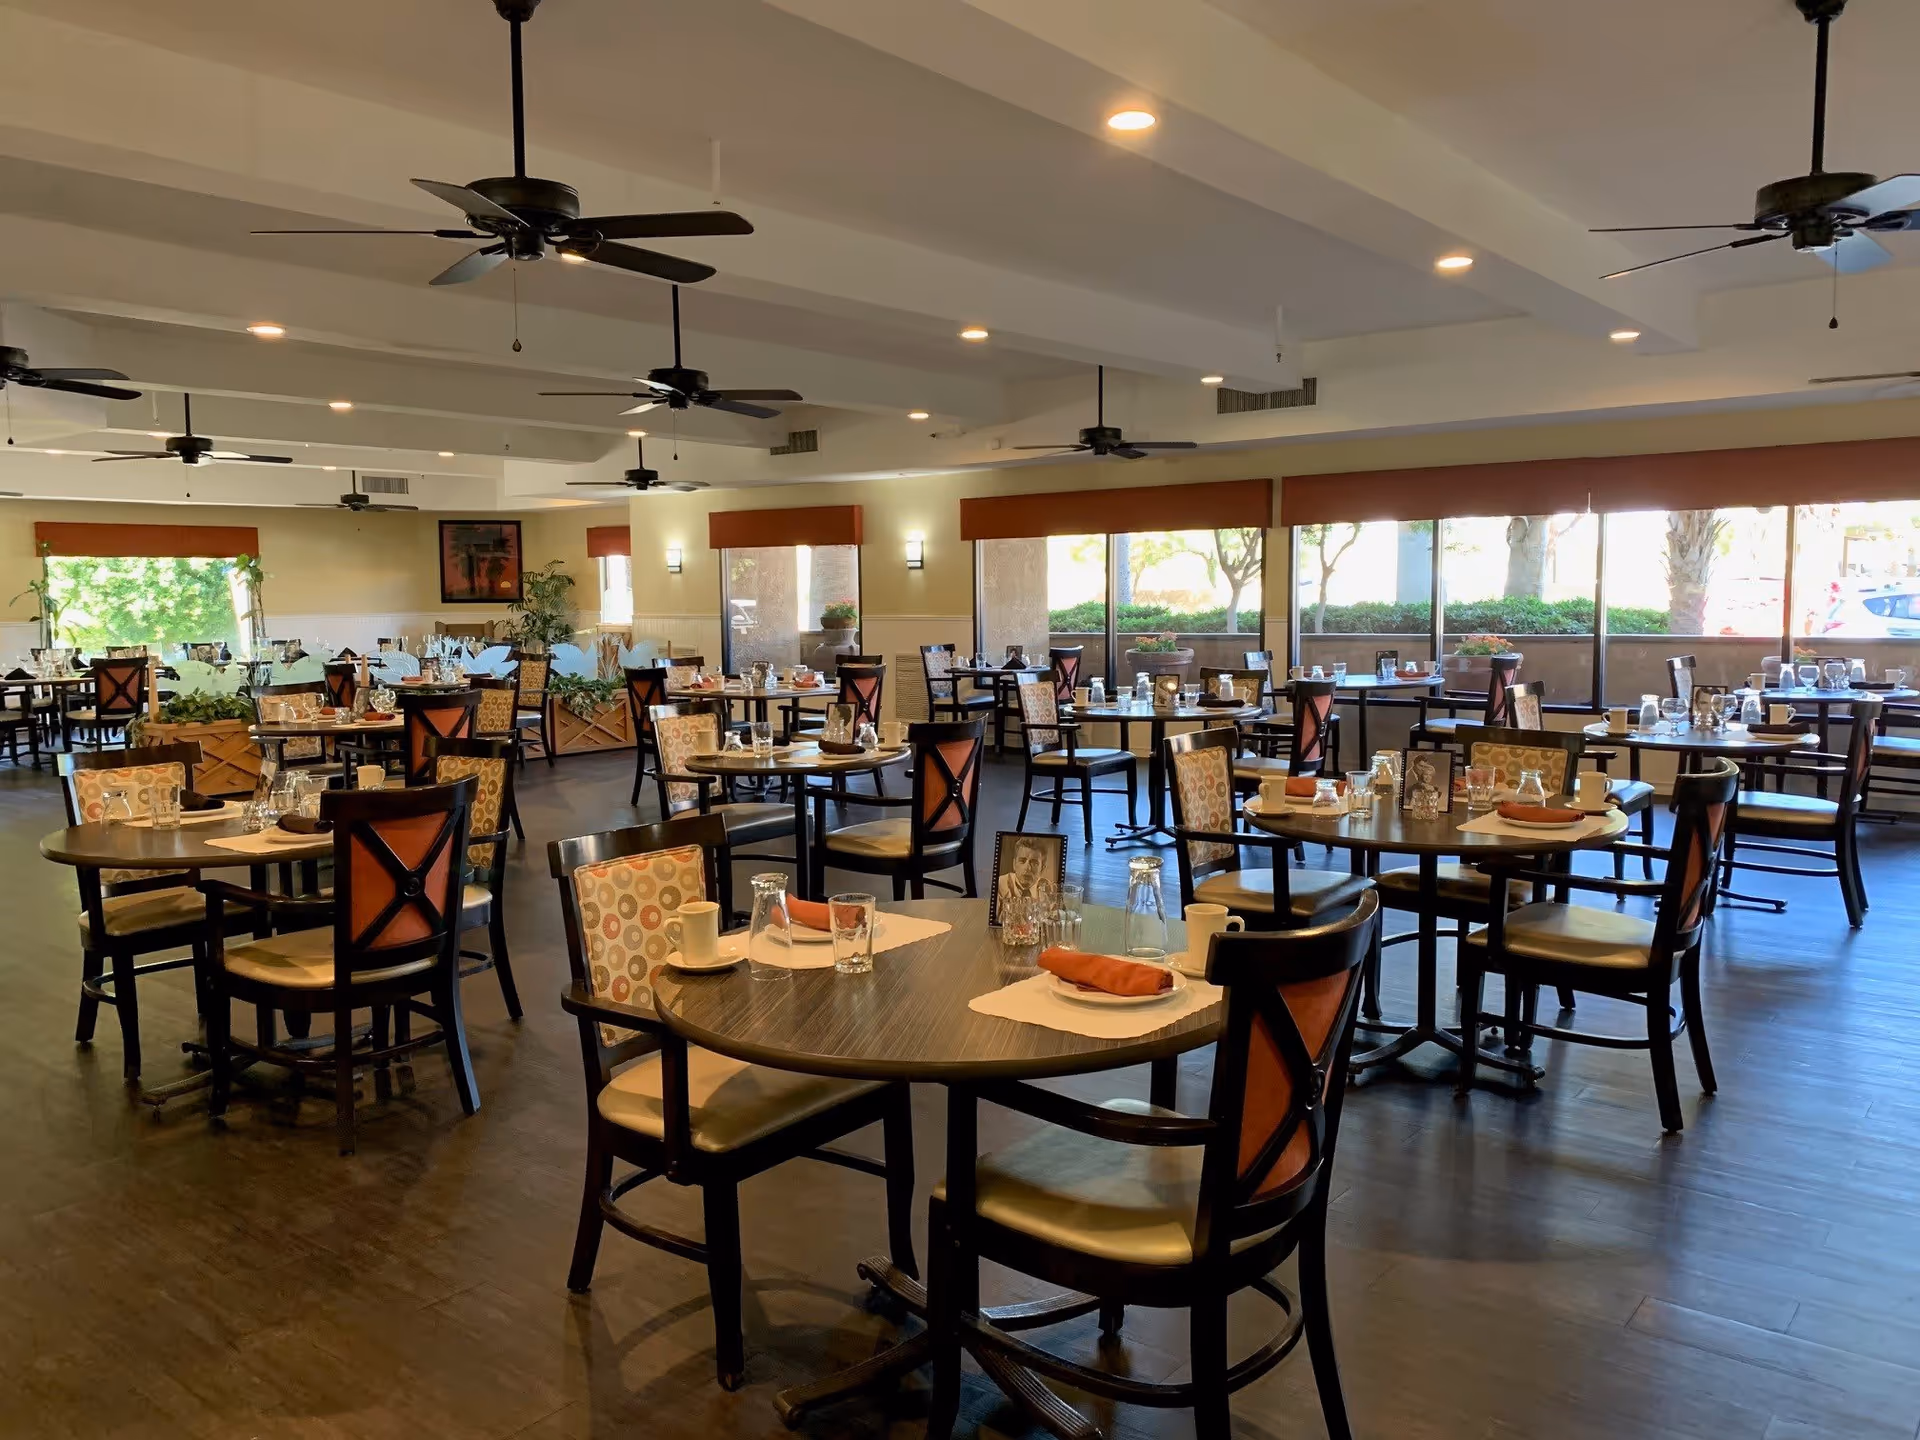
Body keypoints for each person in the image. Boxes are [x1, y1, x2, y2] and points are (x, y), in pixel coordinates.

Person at [997, 835, 1058, 919]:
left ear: (1042, 869)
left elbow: (1054, 923)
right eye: (1022, 861)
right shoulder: (1000, 884)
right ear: (1014, 864)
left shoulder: (1050, 890)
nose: (1027, 868)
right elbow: (995, 922)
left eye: (1034, 863)